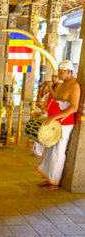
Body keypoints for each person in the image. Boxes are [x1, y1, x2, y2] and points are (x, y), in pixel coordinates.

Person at [36, 60, 80, 191]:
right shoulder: (62, 84)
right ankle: (49, 178)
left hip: (64, 123)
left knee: (58, 152)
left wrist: (54, 117)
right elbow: (56, 97)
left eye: (61, 73)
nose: (59, 75)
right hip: (54, 122)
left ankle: (54, 183)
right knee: (50, 150)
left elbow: (74, 107)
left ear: (68, 72)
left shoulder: (74, 86)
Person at [32, 71, 60, 158]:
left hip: (50, 112)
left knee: (42, 132)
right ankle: (36, 151)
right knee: (39, 131)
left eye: (56, 77)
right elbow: (42, 96)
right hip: (46, 110)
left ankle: (39, 152)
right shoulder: (53, 86)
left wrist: (50, 87)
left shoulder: (59, 87)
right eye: (53, 76)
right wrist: (44, 87)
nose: (53, 78)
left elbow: (54, 98)